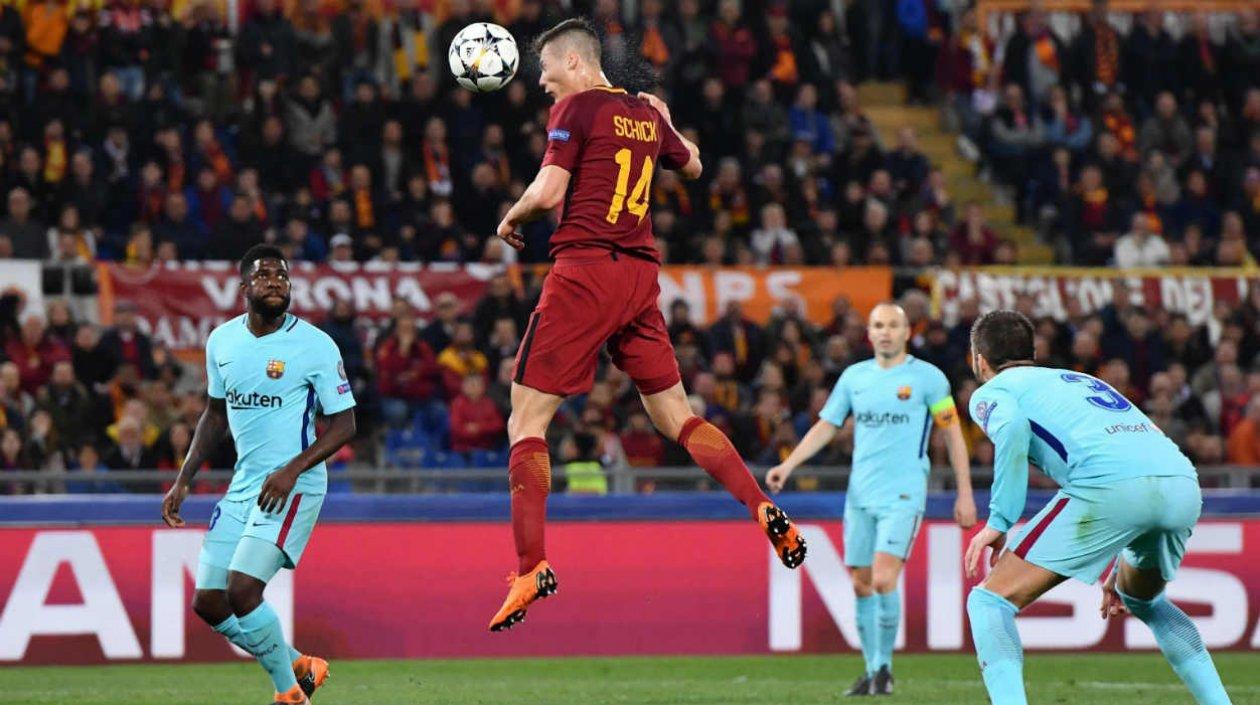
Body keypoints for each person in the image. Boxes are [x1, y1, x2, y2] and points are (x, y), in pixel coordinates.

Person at [487, 18, 806, 633]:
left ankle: (530, 566)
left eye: (547, 74)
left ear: (574, 63)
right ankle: (762, 506)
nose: (545, 86)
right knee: (677, 417)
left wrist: (511, 216)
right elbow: (694, 167)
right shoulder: (644, 114)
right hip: (639, 278)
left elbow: (549, 192)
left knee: (526, 420)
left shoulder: (577, 108)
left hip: (584, 272)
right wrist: (666, 120)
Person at [963, 310, 1232, 705]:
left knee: (989, 601)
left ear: (979, 360)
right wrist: (1126, 545)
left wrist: (1000, 520)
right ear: (1033, 354)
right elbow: (1144, 442)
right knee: (1144, 599)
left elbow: (1013, 429)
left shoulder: (992, 392)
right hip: (1180, 482)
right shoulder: (1082, 380)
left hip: (1110, 488)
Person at [160, 244, 357, 705]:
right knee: (209, 601)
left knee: (243, 589)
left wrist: (291, 469)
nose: (275, 283)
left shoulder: (315, 345)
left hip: (295, 484)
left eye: (282, 276)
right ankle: (300, 664)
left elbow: (346, 424)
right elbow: (214, 414)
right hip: (246, 483)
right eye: (265, 275)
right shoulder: (222, 342)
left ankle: (289, 693)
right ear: (244, 287)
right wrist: (184, 478)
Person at [765, 303, 976, 696]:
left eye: (893, 325)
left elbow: (952, 434)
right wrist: (789, 464)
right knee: (861, 585)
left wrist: (964, 493)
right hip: (860, 494)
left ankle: (885, 668)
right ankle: (871, 670)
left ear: (907, 332)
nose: (885, 332)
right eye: (878, 325)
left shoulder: (928, 378)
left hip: (904, 493)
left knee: (882, 579)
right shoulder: (854, 378)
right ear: (869, 332)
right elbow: (827, 426)